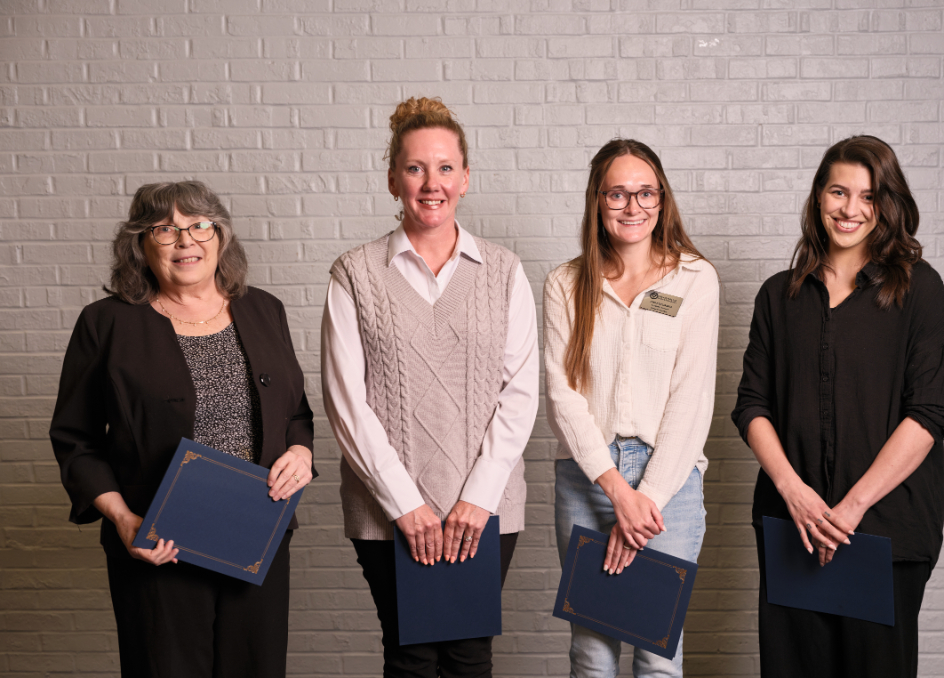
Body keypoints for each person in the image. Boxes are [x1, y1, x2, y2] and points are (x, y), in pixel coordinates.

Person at [49, 181, 315, 678]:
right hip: (157, 540)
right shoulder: (105, 323)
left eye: (199, 226)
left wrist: (300, 454)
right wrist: (124, 519)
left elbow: (296, 414)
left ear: (221, 238)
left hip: (256, 531)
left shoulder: (264, 309)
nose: (186, 240)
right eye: (166, 229)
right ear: (141, 243)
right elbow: (76, 440)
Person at [321, 96, 539, 677]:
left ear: (465, 178)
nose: (431, 183)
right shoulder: (355, 274)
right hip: (388, 510)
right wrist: (406, 505)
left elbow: (519, 394)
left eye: (445, 168)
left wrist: (477, 498)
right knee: (411, 658)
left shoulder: (505, 271)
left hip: (485, 509)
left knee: (469, 658)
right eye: (415, 168)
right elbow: (347, 405)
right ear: (393, 178)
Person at [731, 135, 944, 678]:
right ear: (818, 197)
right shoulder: (777, 295)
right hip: (792, 526)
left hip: (886, 533)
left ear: (888, 205)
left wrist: (850, 509)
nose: (851, 209)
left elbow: (929, 413)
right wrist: (796, 495)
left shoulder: (920, 291)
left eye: (869, 196)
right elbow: (751, 405)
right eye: (839, 191)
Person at [544, 138, 719, 677]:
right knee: (592, 655)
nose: (632, 207)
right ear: (598, 201)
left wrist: (645, 499)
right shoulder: (566, 283)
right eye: (617, 194)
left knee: (658, 657)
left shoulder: (694, 279)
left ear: (662, 200)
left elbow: (692, 400)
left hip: (671, 486)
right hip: (587, 482)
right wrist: (616, 491)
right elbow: (561, 392)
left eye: (645, 193)